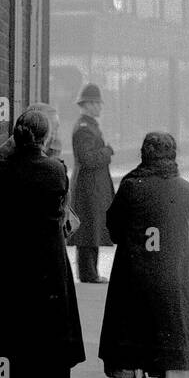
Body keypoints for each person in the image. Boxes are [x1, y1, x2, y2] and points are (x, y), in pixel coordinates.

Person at [99, 131, 189, 378]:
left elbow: (114, 230)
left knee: (131, 338)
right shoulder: (185, 188)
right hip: (174, 276)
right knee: (165, 339)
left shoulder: (131, 186)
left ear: (144, 154)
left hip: (134, 276)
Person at [0, 108, 85, 378]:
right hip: (50, 260)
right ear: (46, 139)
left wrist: (11, 145)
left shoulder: (0, 171)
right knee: (48, 327)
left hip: (15, 260)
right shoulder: (57, 171)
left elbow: (1, 165)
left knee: (21, 327)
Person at [69, 83, 115, 283]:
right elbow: (88, 159)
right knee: (88, 230)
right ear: (87, 104)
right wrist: (107, 151)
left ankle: (91, 272)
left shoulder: (89, 126)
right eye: (96, 103)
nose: (99, 107)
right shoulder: (84, 129)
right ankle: (88, 274)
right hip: (89, 187)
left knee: (92, 229)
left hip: (92, 187)